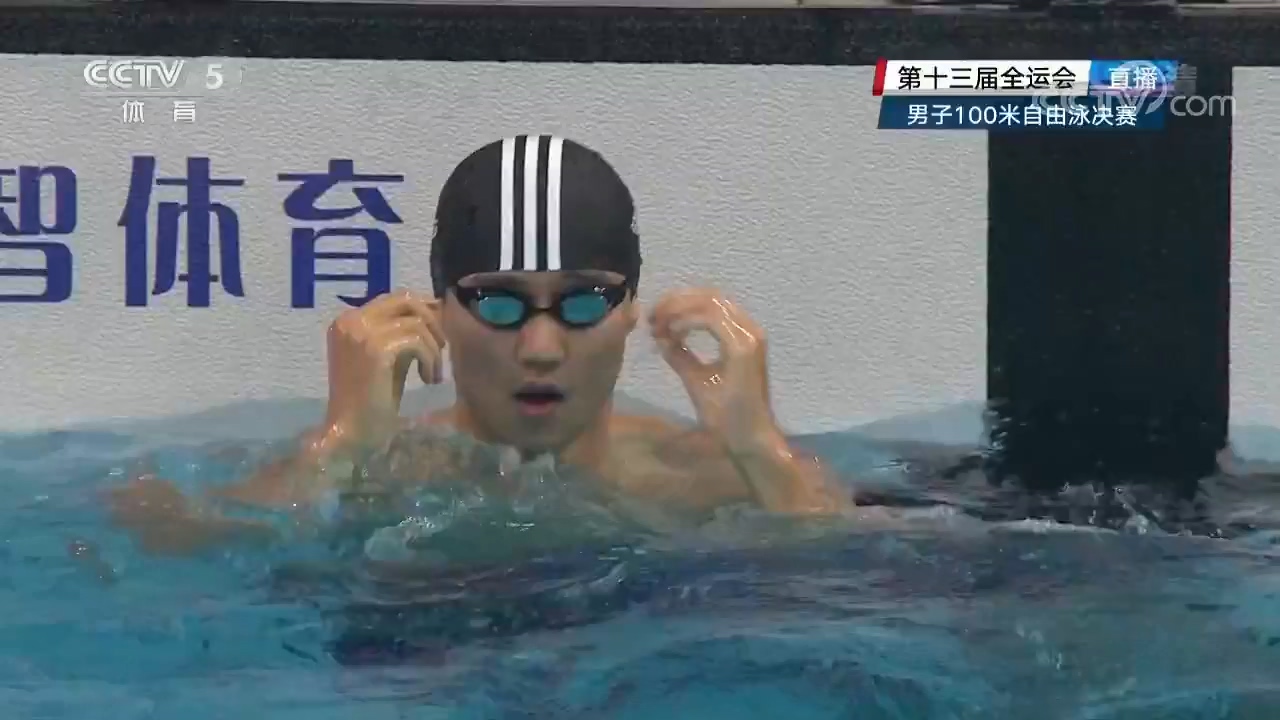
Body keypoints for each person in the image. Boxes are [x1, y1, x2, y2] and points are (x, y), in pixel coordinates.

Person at [109, 135, 850, 555]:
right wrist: (337, 444)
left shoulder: (713, 475)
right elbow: (158, 539)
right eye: (497, 302)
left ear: (630, 312)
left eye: (584, 302)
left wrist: (761, 449)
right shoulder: (379, 471)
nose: (541, 348)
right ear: (437, 313)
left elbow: (862, 580)